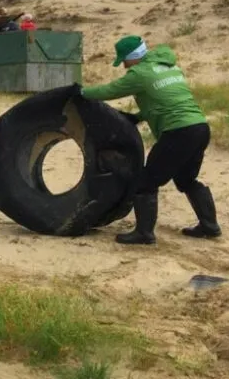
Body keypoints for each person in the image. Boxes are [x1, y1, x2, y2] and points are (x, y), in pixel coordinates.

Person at [64, 35, 219, 245]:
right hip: (200, 128)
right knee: (186, 179)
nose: (125, 66)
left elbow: (110, 90)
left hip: (178, 132)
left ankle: (144, 233)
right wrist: (138, 116)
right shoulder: (168, 67)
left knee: (145, 182)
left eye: (125, 61)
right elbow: (164, 102)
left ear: (133, 57)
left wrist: (81, 92)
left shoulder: (140, 73)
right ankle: (209, 225)